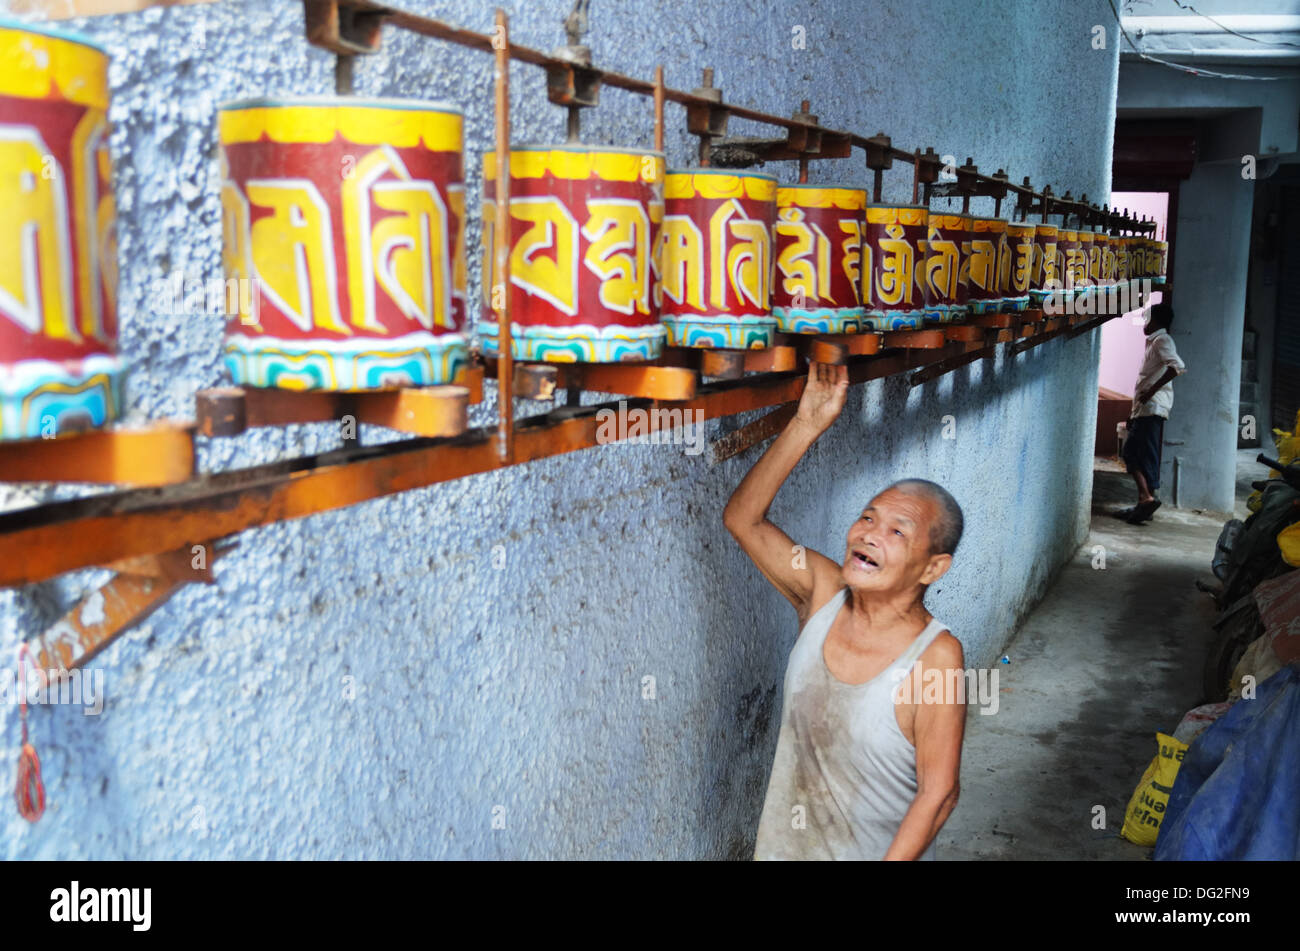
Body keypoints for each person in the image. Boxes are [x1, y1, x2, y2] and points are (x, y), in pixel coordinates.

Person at [723, 360, 966, 860]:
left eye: (897, 531)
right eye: (867, 517)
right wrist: (806, 424)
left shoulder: (936, 657)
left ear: (932, 568)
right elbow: (743, 519)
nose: (870, 533)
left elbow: (939, 793)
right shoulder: (823, 592)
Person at [1119, 301, 1186, 524]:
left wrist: (1151, 391)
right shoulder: (1155, 342)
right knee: (1142, 453)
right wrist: (1133, 413)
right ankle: (1145, 501)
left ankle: (1145, 497)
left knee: (1131, 452)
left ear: (1155, 321)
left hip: (1153, 407)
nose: (1144, 323)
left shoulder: (1162, 340)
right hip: (1145, 409)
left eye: (1147, 318)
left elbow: (1176, 367)